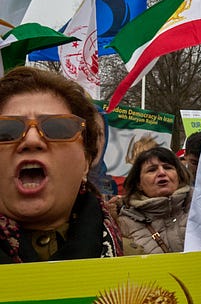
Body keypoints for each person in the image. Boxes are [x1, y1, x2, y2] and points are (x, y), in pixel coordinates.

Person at [0, 67, 122, 263]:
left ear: (86, 162)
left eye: (57, 128)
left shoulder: (149, 268)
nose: (32, 140)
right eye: (6, 132)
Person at [117, 146, 193, 253]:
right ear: (139, 184)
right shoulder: (124, 224)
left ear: (179, 176)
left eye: (168, 167)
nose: (162, 173)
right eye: (152, 170)